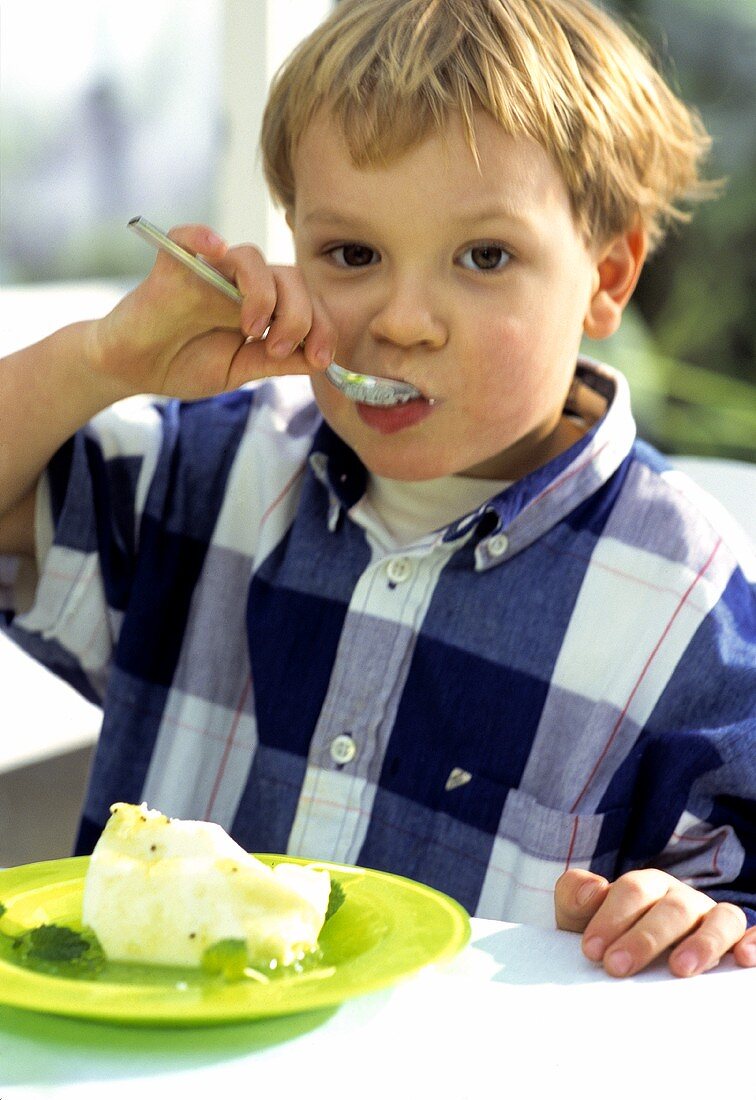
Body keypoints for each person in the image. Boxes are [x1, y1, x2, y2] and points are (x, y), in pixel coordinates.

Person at [1, 0, 754, 980]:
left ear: (607, 275)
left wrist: (698, 918)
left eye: (484, 257)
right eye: (352, 255)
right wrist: (102, 357)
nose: (402, 322)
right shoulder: (201, 477)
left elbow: (734, 912)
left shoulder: (685, 599)